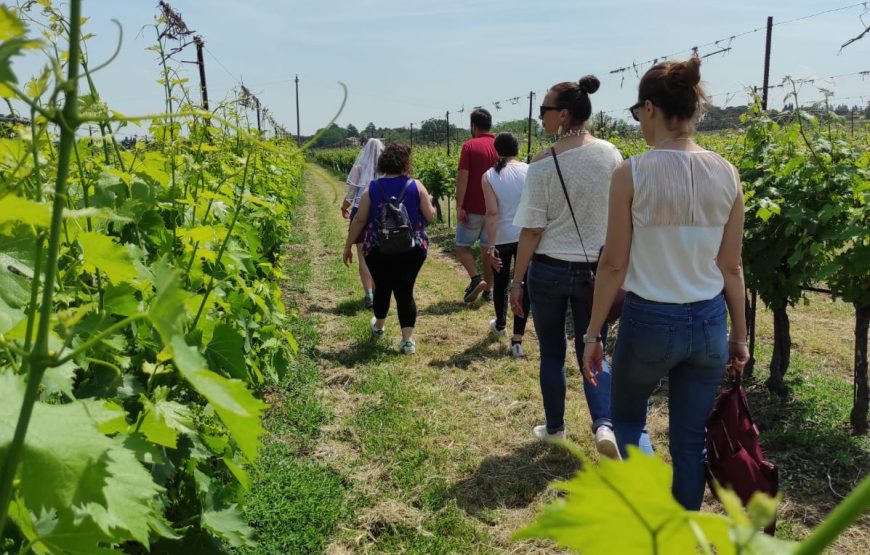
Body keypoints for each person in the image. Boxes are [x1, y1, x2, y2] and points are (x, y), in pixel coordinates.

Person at [581, 56, 749, 510]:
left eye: (638, 114)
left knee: (629, 420)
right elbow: (731, 267)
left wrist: (594, 332)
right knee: (691, 441)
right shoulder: (728, 173)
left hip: (651, 318)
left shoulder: (632, 173)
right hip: (710, 319)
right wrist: (739, 333)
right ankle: (682, 533)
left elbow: (614, 264)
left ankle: (648, 513)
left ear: (650, 108)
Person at [510, 75, 622, 458]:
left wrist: (516, 281)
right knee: (594, 348)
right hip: (597, 273)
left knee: (553, 352)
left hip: (549, 269)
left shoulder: (542, 164)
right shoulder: (612, 155)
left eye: (545, 110)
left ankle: (555, 427)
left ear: (565, 114)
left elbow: (531, 230)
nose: (539, 116)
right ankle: (604, 424)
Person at [343, 142, 436, 355]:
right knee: (405, 291)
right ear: (406, 163)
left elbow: (359, 221)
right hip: (411, 248)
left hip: (378, 248)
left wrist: (348, 246)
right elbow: (430, 216)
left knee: (382, 287)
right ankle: (407, 342)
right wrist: (429, 202)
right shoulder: (416, 185)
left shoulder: (373, 187)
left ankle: (379, 326)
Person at [482, 132, 529, 358]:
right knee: (523, 285)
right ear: (518, 149)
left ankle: (500, 324)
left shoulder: (489, 175)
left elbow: (492, 213)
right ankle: (518, 339)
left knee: (500, 283)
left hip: (501, 236)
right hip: (525, 237)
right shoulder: (529, 171)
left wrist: (491, 247)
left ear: (496, 150)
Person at [455, 108, 498, 303]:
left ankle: (475, 279)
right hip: (493, 210)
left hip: (472, 207)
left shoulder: (469, 146)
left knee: (462, 247)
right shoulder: (499, 145)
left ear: (473, 126)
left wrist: (459, 205)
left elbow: (463, 177)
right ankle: (489, 291)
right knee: (488, 250)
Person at [342, 138, 384, 309]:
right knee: (378, 255)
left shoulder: (359, 169)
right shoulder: (385, 170)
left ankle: (369, 294)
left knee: (362, 256)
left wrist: (343, 207)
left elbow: (351, 194)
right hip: (379, 214)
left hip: (360, 211)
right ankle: (377, 290)